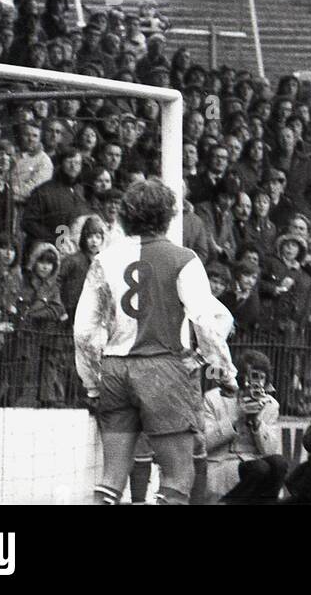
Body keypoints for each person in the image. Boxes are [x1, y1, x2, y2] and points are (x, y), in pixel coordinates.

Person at [74, 179, 238, 506]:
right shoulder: (183, 258)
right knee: (178, 478)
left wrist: (93, 382)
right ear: (169, 215)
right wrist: (224, 371)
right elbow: (206, 320)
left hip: (116, 369)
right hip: (163, 368)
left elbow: (83, 330)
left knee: (111, 478)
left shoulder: (104, 260)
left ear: (124, 216)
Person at [200, 350, 286, 505]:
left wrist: (257, 423)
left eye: (262, 377)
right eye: (253, 376)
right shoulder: (214, 398)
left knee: (279, 463)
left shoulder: (271, 405)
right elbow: (204, 443)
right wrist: (237, 417)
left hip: (254, 462)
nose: (257, 383)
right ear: (241, 376)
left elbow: (270, 450)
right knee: (259, 469)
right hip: (221, 465)